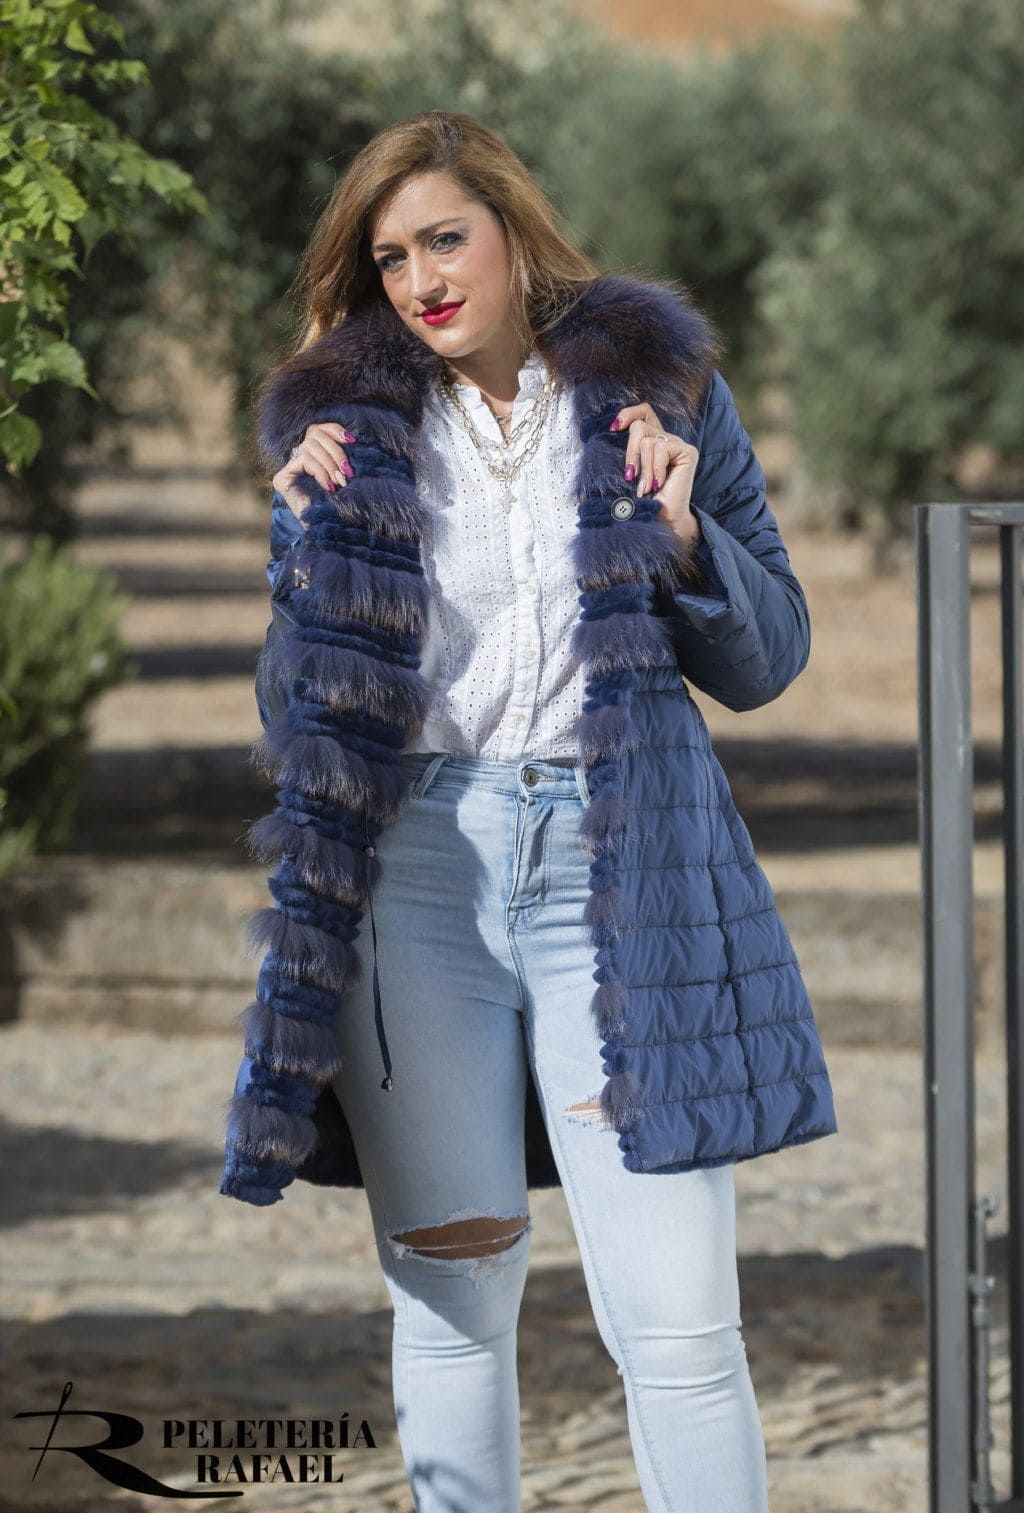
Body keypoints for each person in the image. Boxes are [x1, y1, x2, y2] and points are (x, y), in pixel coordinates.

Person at [219, 108, 838, 1512]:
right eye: (392, 257)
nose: (425, 278)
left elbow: (771, 655)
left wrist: (686, 544)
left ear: (511, 229)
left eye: (448, 238)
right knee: (452, 1308)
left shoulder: (658, 391)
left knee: (679, 1327)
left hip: (615, 876)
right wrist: (307, 558)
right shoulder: (345, 433)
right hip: (415, 880)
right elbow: (291, 715)